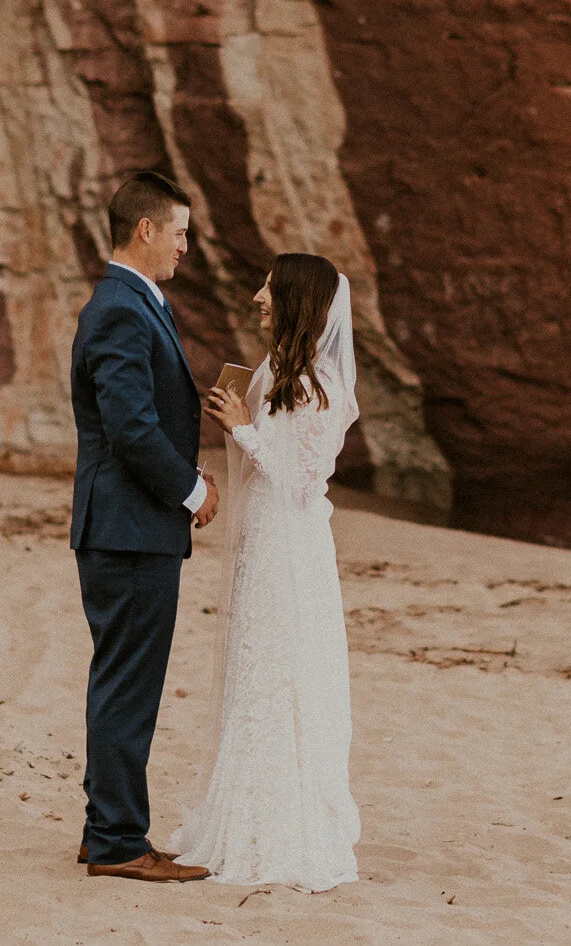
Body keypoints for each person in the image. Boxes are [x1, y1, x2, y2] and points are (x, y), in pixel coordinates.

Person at [171, 252, 361, 892]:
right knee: (252, 669)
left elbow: (302, 482)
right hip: (262, 540)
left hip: (290, 546)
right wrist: (244, 426)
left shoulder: (318, 386)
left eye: (270, 289)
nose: (257, 297)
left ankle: (282, 829)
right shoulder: (280, 372)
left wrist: (246, 431)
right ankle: (241, 815)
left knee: (284, 672)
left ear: (297, 303)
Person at [68, 171, 219, 883]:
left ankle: (106, 827)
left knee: (119, 679)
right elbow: (130, 425)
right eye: (181, 231)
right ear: (146, 229)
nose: (186, 246)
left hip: (125, 528)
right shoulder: (122, 307)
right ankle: (119, 840)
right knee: (129, 684)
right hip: (129, 529)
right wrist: (192, 490)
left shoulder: (127, 301)